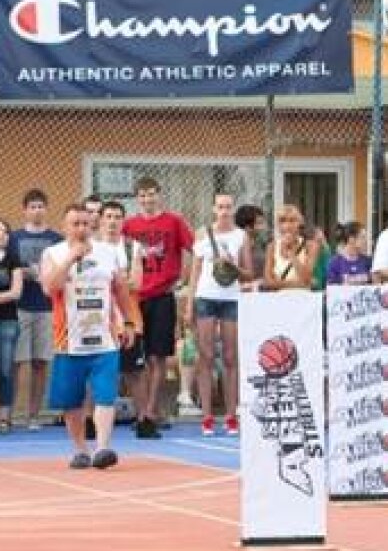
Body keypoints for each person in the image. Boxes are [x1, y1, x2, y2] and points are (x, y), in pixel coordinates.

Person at [41, 204, 139, 469]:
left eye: (85, 223)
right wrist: (70, 259)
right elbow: (50, 288)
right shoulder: (53, 253)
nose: (81, 228)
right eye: (75, 224)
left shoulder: (108, 252)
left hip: (104, 339)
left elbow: (121, 290)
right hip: (68, 342)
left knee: (106, 395)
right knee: (71, 401)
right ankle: (80, 449)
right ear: (65, 226)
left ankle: (103, 448)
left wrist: (129, 322)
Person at [122, 176, 194, 439]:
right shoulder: (129, 226)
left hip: (162, 296)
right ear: (137, 198)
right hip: (134, 299)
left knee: (157, 357)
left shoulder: (174, 221)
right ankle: (142, 411)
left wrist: (185, 279)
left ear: (159, 195)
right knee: (133, 361)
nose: (147, 199)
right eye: (142, 195)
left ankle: (151, 412)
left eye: (151, 194)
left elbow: (196, 250)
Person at [184, 194, 253, 437]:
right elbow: (194, 272)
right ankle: (207, 416)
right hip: (206, 297)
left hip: (230, 298)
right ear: (214, 209)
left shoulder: (241, 236)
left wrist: (233, 265)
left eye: (228, 207)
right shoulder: (202, 234)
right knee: (206, 356)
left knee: (231, 357)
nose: (224, 211)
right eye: (220, 207)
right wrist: (189, 304)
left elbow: (248, 273)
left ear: (233, 210)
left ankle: (231, 415)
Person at [11, 188, 62, 430]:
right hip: (20, 307)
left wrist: (43, 274)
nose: (37, 210)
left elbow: (60, 271)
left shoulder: (56, 239)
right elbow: (7, 269)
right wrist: (23, 272)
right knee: (18, 362)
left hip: (47, 308)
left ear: (46, 209)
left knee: (40, 362)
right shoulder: (14, 238)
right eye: (32, 206)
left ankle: (33, 415)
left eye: (41, 206)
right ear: (25, 210)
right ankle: (12, 414)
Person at [96, 202, 147, 424]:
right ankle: (92, 420)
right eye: (108, 216)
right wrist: (120, 280)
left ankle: (144, 420)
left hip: (128, 318)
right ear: (100, 220)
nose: (113, 221)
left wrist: (110, 281)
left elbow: (137, 283)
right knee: (98, 372)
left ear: (123, 221)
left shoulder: (132, 247)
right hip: (100, 319)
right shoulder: (92, 247)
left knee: (134, 372)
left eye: (117, 217)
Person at [0, 220, 24, 433]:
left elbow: (16, 292)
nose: (2, 234)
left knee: (5, 370)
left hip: (8, 321)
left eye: (6, 231)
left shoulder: (13, 259)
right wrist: (1, 296)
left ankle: (4, 419)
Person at [262, 205, 317, 292]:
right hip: (278, 298)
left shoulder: (310, 246)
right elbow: (268, 282)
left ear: (300, 224)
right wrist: (298, 284)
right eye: (282, 221)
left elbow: (306, 278)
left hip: (303, 297)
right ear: (278, 225)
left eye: (292, 221)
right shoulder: (272, 246)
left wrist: (291, 253)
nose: (287, 225)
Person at [325, 221, 374, 286]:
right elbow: (331, 288)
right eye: (362, 237)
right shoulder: (335, 263)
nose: (365, 241)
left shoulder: (368, 261)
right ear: (351, 239)